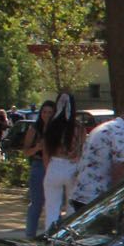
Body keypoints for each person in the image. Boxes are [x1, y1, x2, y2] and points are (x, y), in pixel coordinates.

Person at [73, 102, 124, 209]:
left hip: (81, 195)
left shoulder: (103, 127)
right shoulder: (122, 134)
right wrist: (119, 203)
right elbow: (119, 172)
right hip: (97, 200)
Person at [40, 94, 82, 228]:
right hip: (72, 165)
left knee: (51, 208)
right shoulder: (78, 126)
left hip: (54, 164)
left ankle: (49, 237)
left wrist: (48, 168)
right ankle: (69, 239)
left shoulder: (51, 126)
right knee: (72, 209)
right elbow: (82, 148)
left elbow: (45, 151)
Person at [21, 100, 55, 237]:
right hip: (39, 165)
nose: (46, 115)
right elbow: (25, 151)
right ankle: (30, 236)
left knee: (54, 204)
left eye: (50, 112)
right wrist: (36, 148)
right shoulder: (34, 129)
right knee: (36, 203)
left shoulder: (58, 129)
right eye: (44, 112)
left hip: (55, 165)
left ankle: (52, 236)